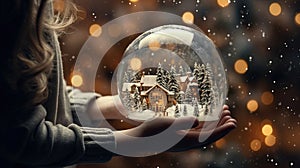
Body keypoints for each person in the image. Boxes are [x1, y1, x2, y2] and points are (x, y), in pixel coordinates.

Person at [0, 0, 237, 167]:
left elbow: (35, 100)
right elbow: (22, 140)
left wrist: (117, 106)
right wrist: (132, 140)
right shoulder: (13, 11)